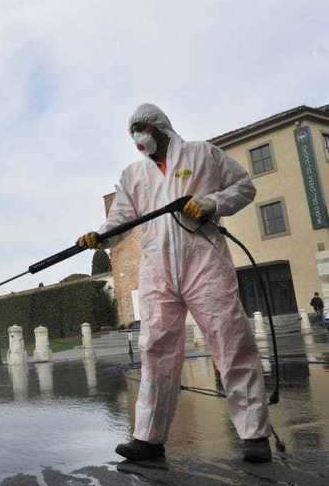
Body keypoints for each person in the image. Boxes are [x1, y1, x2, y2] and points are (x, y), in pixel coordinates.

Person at [77, 104, 271, 463]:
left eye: (142, 128)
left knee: (230, 342)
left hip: (204, 261)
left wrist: (212, 203)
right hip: (157, 268)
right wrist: (99, 237)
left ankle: (254, 433)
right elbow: (120, 218)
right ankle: (149, 438)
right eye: (132, 131)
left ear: (160, 126)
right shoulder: (134, 175)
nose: (138, 136)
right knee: (156, 349)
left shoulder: (203, 154)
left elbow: (244, 187)